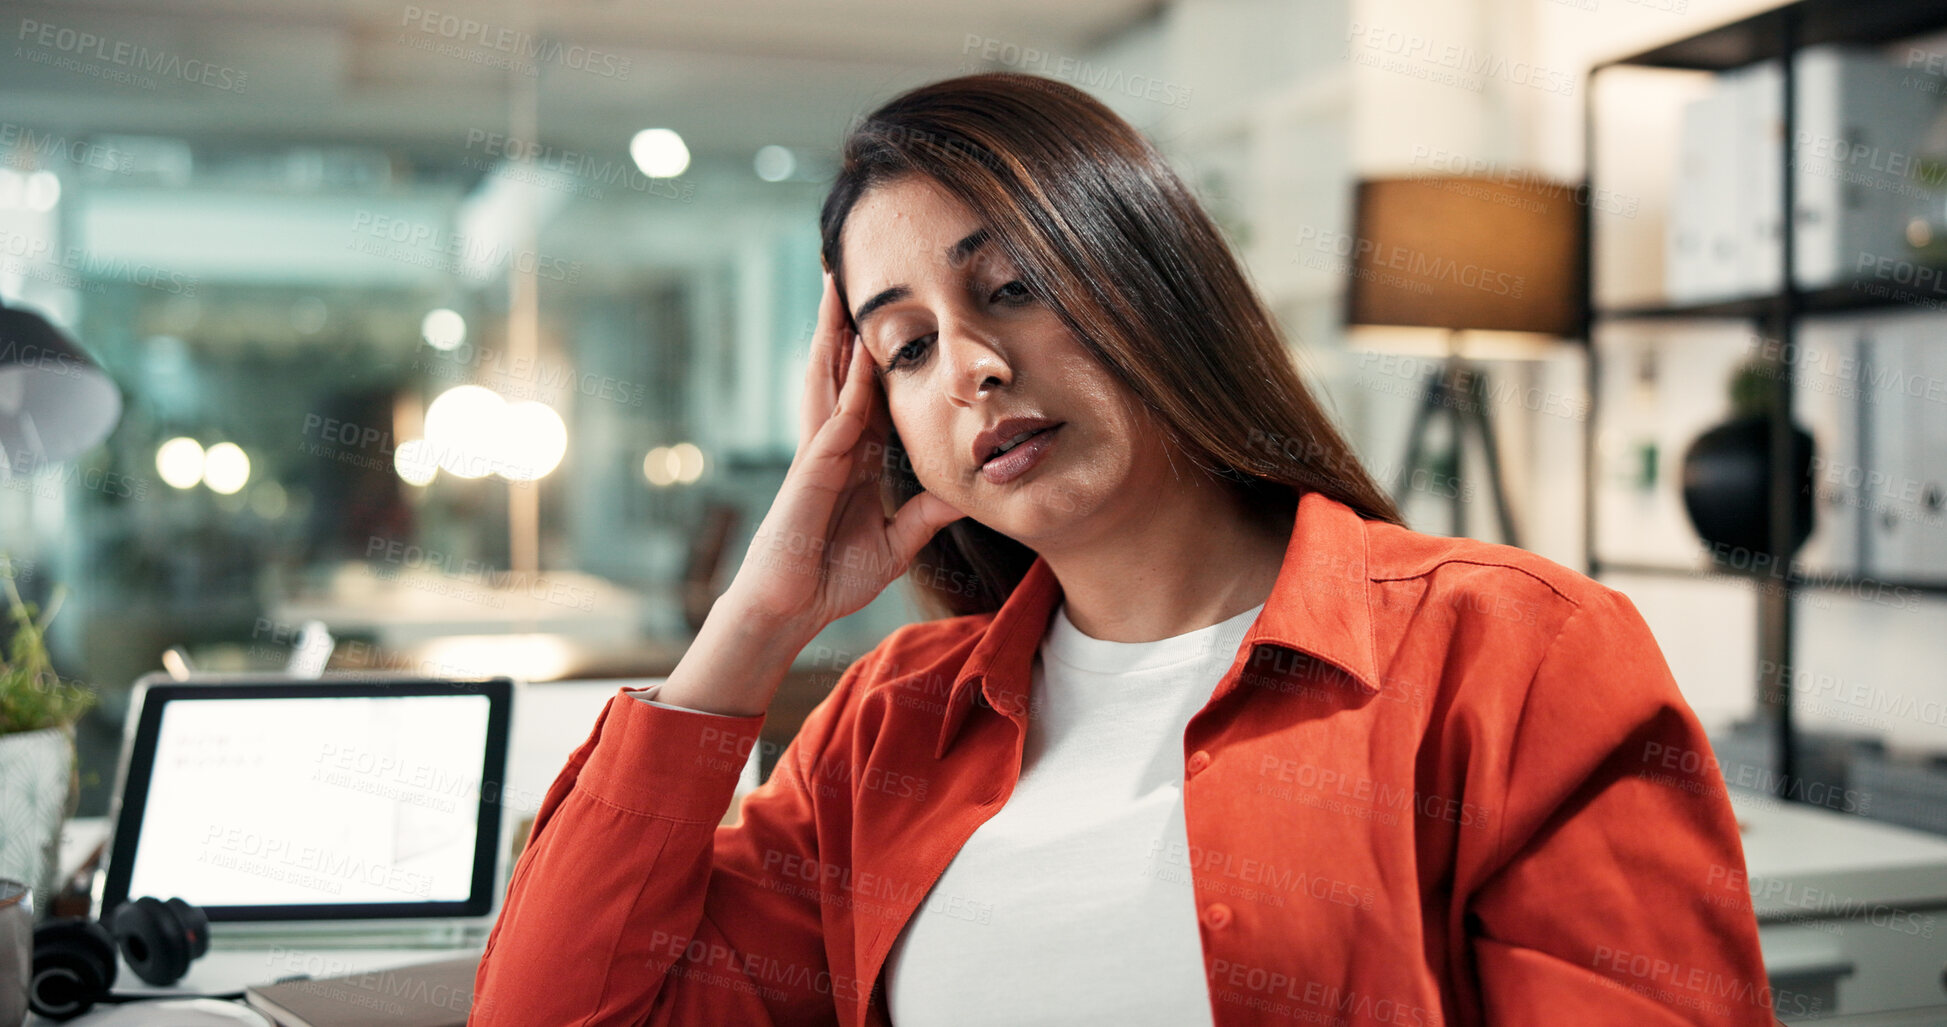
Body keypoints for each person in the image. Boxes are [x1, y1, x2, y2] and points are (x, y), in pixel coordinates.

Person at [469, 72, 1776, 1026]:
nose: (973, 366)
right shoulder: (887, 733)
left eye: (1013, 285)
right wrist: (759, 619)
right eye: (906, 346)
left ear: (1151, 278)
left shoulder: (1511, 653)